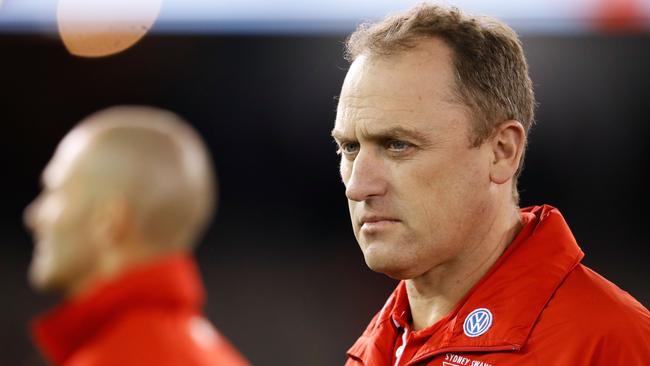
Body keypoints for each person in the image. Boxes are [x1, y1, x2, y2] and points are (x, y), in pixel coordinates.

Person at [331, 4, 649, 365]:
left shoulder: (611, 343)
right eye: (350, 148)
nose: (357, 186)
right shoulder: (378, 347)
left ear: (501, 151)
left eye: (398, 145)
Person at [24, 106, 250, 366]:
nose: (34, 216)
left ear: (108, 220)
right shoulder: (214, 354)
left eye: (54, 192)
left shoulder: (114, 358)